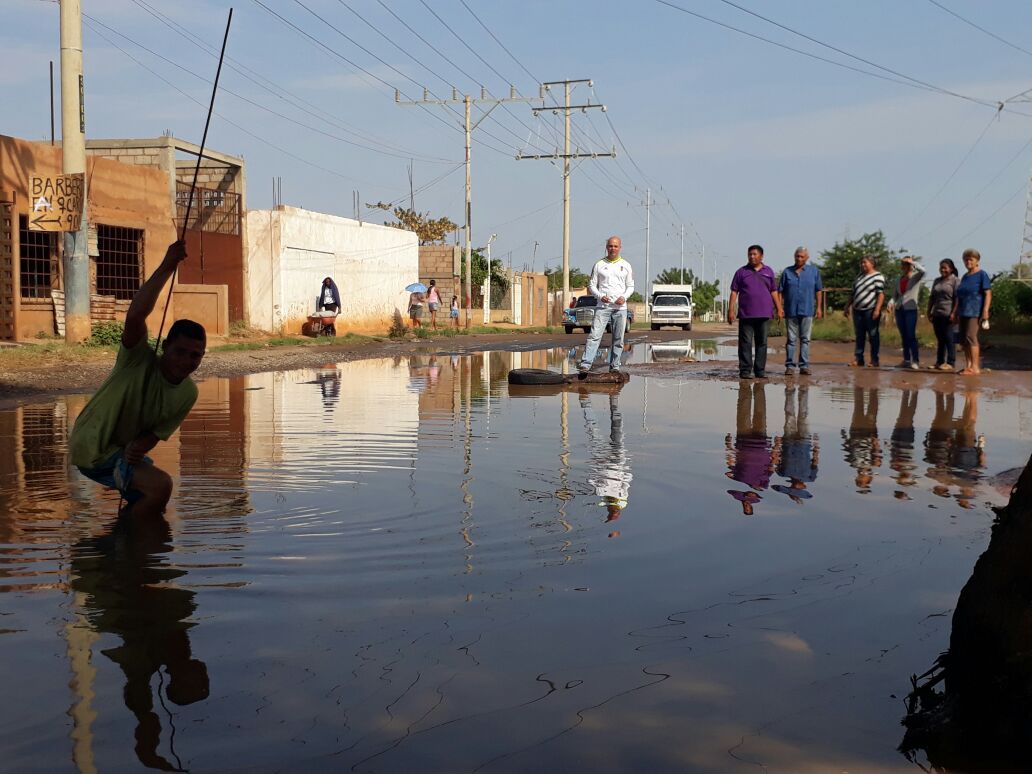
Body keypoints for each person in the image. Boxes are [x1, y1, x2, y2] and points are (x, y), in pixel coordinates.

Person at [70, 241, 205, 521]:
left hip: (120, 451)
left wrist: (139, 447)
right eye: (180, 351)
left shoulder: (188, 393)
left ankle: (127, 545)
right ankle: (128, 549)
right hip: (92, 445)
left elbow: (154, 434)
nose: (187, 361)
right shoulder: (137, 358)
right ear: (165, 346)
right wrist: (168, 265)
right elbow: (135, 315)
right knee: (161, 486)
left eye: (195, 356)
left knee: (149, 495)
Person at [578, 235, 635, 373]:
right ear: (606, 247)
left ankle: (614, 367)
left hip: (620, 308)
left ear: (620, 248)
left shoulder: (626, 265)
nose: (613, 249)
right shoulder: (599, 265)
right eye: (610, 246)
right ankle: (586, 364)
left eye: (615, 246)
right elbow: (592, 286)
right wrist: (600, 296)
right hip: (602, 307)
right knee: (594, 336)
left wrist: (624, 297)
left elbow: (631, 286)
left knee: (618, 339)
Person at [728, 244, 783, 379]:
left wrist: (779, 308)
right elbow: (734, 292)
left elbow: (773, 291)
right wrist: (731, 309)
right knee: (745, 343)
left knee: (762, 343)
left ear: (761, 256)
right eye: (750, 254)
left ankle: (760, 370)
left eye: (754, 254)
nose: (752, 257)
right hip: (746, 314)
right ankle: (745, 370)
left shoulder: (768, 271)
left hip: (764, 314)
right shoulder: (741, 272)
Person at [725, 380, 773, 515]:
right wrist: (777, 447)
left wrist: (728, 446)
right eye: (748, 507)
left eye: (745, 507)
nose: (747, 504)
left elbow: (730, 464)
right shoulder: (764, 484)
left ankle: (745, 385)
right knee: (760, 411)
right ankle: (759, 387)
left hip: (743, 440)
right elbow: (772, 465)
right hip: (761, 442)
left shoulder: (739, 479)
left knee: (744, 411)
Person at [778, 246, 823, 376]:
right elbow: (780, 291)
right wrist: (780, 308)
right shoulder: (787, 272)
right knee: (791, 340)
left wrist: (819, 307)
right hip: (791, 311)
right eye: (797, 256)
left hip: (807, 310)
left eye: (802, 256)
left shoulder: (814, 272)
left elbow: (818, 290)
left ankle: (804, 366)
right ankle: (790, 366)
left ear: (807, 258)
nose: (799, 259)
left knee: (805, 339)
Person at [772, 384, 819, 503]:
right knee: (803, 415)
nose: (804, 487)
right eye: (794, 489)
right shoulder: (810, 478)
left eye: (794, 489)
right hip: (805, 442)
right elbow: (815, 462)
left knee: (789, 414)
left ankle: (790, 389)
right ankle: (804, 389)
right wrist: (816, 447)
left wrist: (777, 445)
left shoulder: (782, 473)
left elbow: (776, 459)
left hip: (788, 441)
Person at [952, 248, 993, 375]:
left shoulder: (982, 275)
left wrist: (985, 310)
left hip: (975, 311)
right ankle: (968, 366)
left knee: (971, 336)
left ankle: (975, 367)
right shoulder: (965, 276)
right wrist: (955, 312)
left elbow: (988, 293)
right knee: (963, 339)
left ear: (977, 261)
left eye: (971, 259)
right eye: (966, 259)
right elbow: (959, 296)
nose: (968, 262)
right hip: (963, 311)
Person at [844, 254, 886, 368]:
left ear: (872, 264)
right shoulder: (859, 277)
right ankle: (859, 358)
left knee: (873, 335)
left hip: (870, 310)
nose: (862, 265)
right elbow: (853, 293)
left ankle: (874, 359)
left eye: (865, 262)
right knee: (859, 335)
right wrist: (847, 306)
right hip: (857, 310)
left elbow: (881, 295)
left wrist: (877, 310)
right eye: (861, 263)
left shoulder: (878, 276)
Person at [889, 256, 926, 369]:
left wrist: (913, 262)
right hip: (900, 309)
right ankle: (906, 359)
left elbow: (924, 271)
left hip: (911, 309)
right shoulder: (899, 279)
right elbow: (895, 296)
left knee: (911, 335)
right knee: (904, 335)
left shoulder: (915, 277)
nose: (905, 266)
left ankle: (915, 360)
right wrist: (890, 303)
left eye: (907, 264)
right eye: (903, 264)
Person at [927, 259, 960, 371]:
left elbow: (957, 298)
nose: (943, 270)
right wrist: (929, 311)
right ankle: (939, 362)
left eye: (945, 267)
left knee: (949, 338)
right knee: (940, 339)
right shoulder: (937, 281)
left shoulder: (955, 281)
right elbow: (932, 297)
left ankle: (950, 362)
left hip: (949, 313)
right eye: (941, 267)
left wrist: (954, 313)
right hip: (937, 313)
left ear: (951, 269)